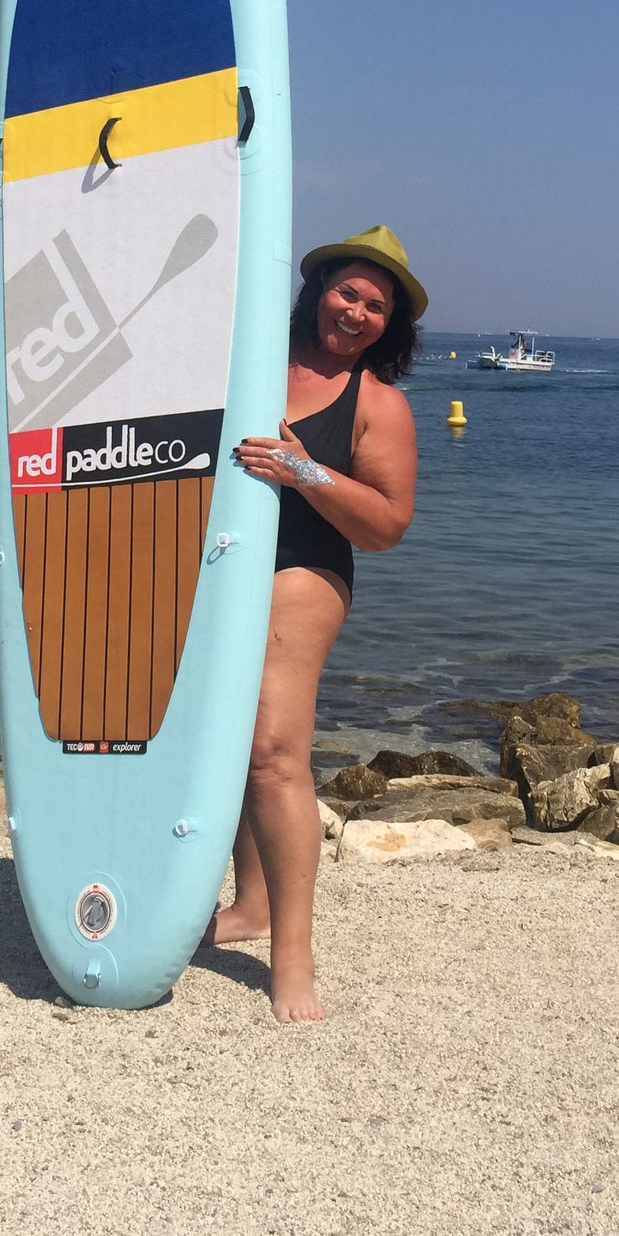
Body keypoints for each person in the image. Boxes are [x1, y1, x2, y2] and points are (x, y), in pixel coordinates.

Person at [212, 224, 424, 1023]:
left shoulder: (378, 404)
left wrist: (305, 471)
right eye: (347, 293)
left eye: (377, 306)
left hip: (303, 565)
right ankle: (250, 906)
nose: (356, 313)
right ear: (317, 291)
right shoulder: (249, 358)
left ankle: (293, 956)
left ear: (390, 326)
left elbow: (387, 525)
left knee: (272, 751)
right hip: (210, 558)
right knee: (224, 742)